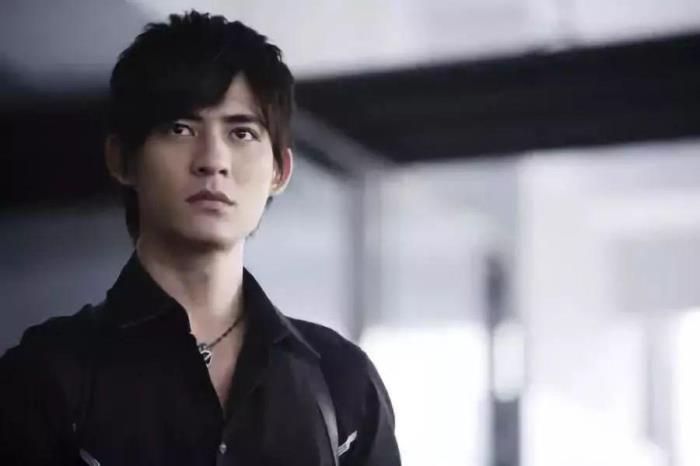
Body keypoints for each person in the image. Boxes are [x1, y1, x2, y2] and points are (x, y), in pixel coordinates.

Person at [0, 11, 400, 466]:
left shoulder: (342, 382)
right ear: (122, 159)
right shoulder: (47, 376)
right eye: (180, 129)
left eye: (241, 132)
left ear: (280, 171)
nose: (213, 160)